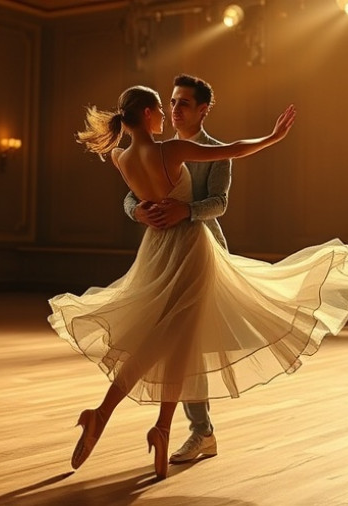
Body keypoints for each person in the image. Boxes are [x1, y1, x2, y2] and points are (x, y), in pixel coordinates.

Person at [49, 85, 348, 480]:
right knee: (175, 343)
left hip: (155, 252)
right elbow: (233, 149)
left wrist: (159, 207)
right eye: (163, 107)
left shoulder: (119, 157)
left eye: (179, 104)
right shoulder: (170, 151)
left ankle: (125, 419)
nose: (168, 112)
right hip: (190, 252)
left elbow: (187, 192)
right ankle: (146, 424)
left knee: (168, 342)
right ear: (147, 115)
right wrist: (272, 138)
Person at [123, 74, 226, 465]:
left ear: (203, 110)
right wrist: (138, 211)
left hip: (202, 253)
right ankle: (198, 431)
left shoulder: (217, 152)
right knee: (174, 341)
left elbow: (219, 203)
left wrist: (188, 210)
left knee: (187, 343)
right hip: (164, 255)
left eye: (184, 103)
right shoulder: (159, 148)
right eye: (172, 101)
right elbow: (132, 195)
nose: (175, 108)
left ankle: (199, 431)